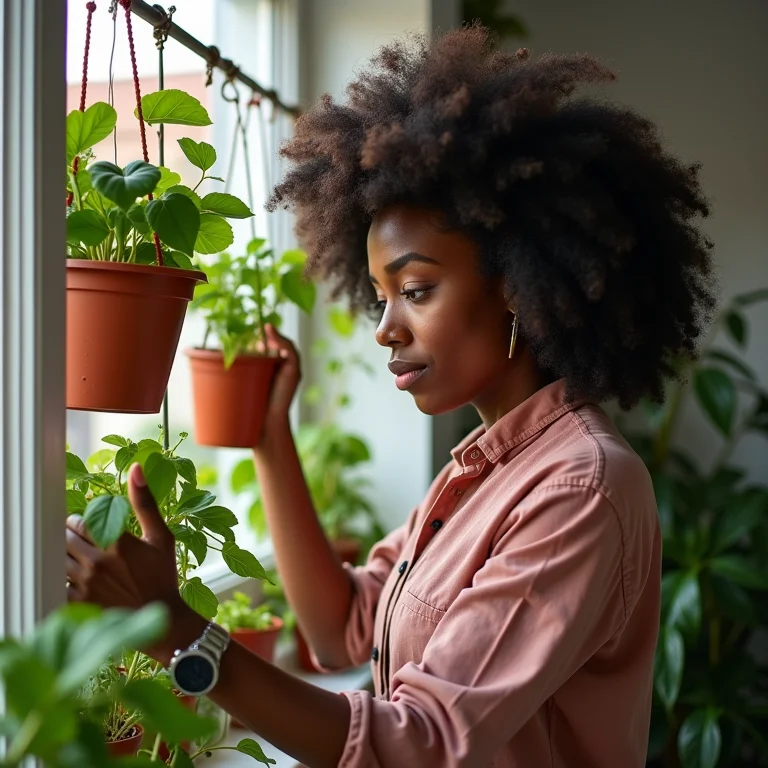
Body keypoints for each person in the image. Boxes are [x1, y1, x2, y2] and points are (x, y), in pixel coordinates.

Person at [65, 24, 715, 768]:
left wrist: (179, 628)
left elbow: (421, 743)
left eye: (414, 290)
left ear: (519, 287)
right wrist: (273, 441)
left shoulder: (579, 489)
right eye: (380, 298)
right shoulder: (484, 468)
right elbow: (342, 626)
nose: (385, 329)